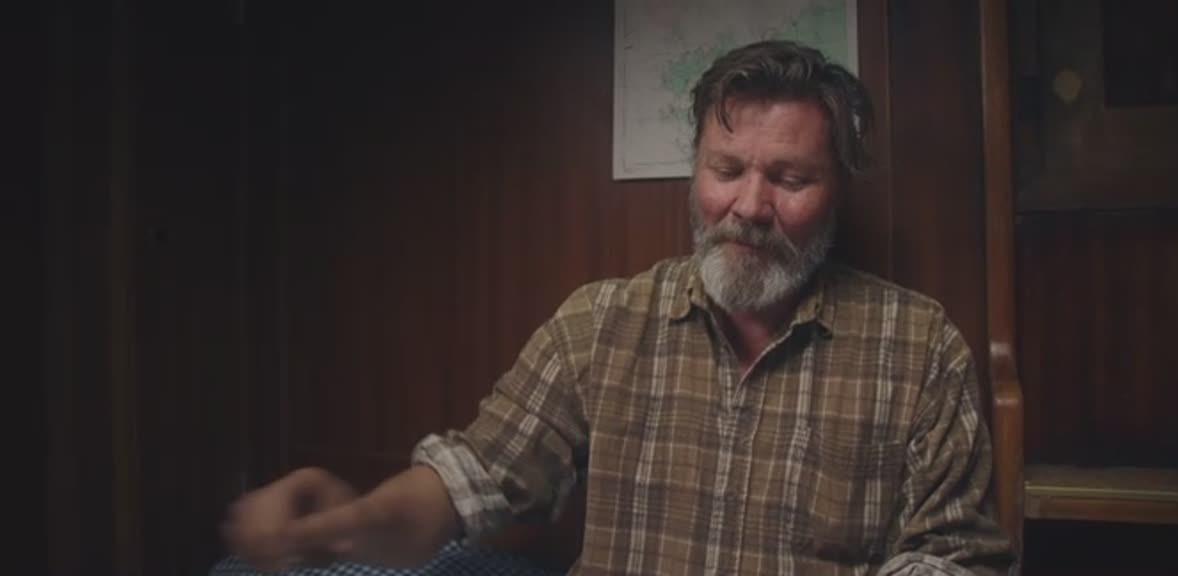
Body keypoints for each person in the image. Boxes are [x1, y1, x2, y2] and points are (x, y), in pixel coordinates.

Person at [224, 40, 1016, 576]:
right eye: (726, 169)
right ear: (695, 171)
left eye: (790, 179)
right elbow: (469, 484)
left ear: (837, 190)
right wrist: (349, 523)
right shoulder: (601, 323)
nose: (749, 206)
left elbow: (953, 557)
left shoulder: (918, 346)